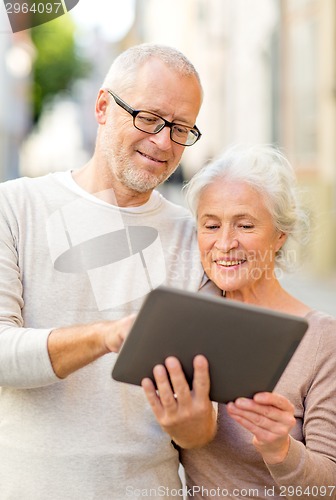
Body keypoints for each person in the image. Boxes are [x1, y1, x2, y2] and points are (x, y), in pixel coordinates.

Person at [0, 43, 216, 499]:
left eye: (181, 128)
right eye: (150, 118)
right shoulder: (16, 207)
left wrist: (197, 426)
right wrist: (106, 336)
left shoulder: (194, 237)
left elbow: (199, 428)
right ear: (103, 107)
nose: (164, 142)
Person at [142, 145, 336, 499]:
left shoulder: (323, 340)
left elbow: (330, 486)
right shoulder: (186, 323)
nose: (225, 243)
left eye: (245, 225)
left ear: (280, 236)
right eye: (211, 225)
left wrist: (280, 449)